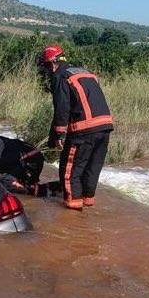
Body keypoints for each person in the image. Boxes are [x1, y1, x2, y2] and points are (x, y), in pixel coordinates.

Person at [38, 45, 114, 210]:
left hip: (83, 129)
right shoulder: (85, 72)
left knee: (70, 171)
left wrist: (60, 135)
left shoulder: (60, 76)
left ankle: (72, 215)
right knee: (91, 168)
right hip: (105, 126)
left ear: (51, 64)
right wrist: (53, 138)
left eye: (45, 67)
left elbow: (62, 108)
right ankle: (87, 207)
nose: (47, 72)